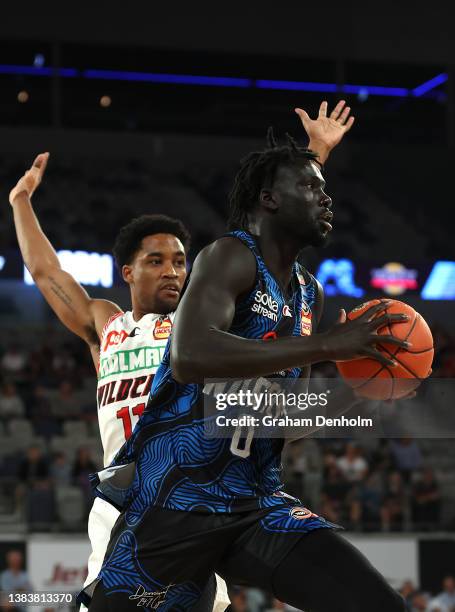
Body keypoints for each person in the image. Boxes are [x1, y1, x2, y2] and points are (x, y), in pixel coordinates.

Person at [89, 101, 411, 611]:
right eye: (312, 189)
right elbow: (190, 353)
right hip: (175, 505)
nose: (326, 200)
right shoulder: (229, 256)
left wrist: (354, 393)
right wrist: (329, 345)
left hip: (254, 504)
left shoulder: (310, 294)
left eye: (325, 189)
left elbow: (282, 419)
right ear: (269, 200)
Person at [8, 159, 228, 612]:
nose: (173, 271)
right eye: (157, 261)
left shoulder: (198, 328)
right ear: (128, 272)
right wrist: (20, 200)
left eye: (180, 262)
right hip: (120, 503)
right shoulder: (106, 324)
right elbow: (46, 271)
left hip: (188, 499)